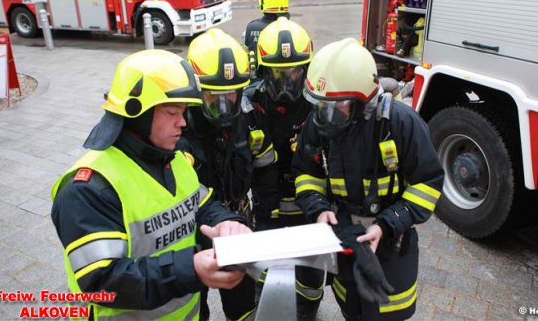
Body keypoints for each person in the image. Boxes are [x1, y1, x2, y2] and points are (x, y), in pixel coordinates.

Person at [51, 50, 250, 320]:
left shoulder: (176, 158)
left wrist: (227, 222)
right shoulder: (87, 188)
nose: (182, 122)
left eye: (183, 112)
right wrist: (189, 269)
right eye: (171, 112)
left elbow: (201, 206)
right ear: (138, 113)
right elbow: (103, 282)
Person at [293, 38, 444, 320]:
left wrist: (389, 224)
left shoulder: (401, 123)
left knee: (389, 310)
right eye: (320, 106)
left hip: (391, 241)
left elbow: (429, 182)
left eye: (336, 106)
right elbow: (306, 173)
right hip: (345, 236)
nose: (325, 116)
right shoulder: (320, 124)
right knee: (351, 305)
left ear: (364, 102)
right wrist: (318, 209)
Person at [243, 17, 324, 319]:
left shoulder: (318, 104)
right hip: (267, 208)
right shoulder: (249, 105)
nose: (288, 85)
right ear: (263, 72)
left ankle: (306, 312)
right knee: (263, 272)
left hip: (309, 208)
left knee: (311, 275)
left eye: (294, 74)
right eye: (279, 75)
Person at [181, 28, 257, 321]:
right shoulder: (178, 128)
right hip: (193, 235)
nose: (226, 105)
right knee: (193, 306)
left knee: (243, 304)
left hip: (236, 224)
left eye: (233, 94)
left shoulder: (244, 117)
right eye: (215, 96)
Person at [244, 0, 291, 74]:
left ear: (262, 3)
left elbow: (246, 54)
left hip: (256, 78)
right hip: (284, 79)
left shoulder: (252, 27)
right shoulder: (292, 28)